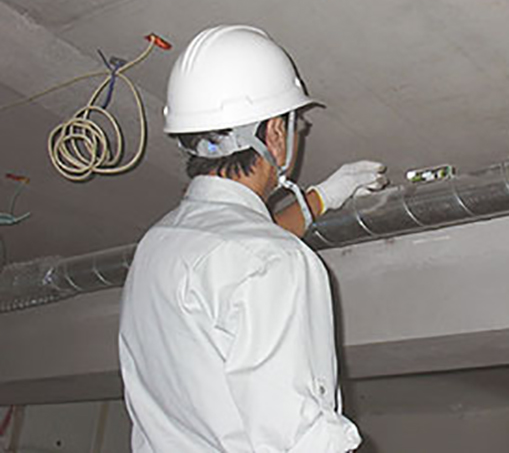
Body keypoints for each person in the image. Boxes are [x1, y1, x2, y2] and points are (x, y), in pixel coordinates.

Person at [119, 25, 385, 452]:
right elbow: (299, 437)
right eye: (295, 127)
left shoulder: (158, 244)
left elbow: (235, 258)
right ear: (275, 133)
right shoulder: (272, 260)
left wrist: (321, 198)